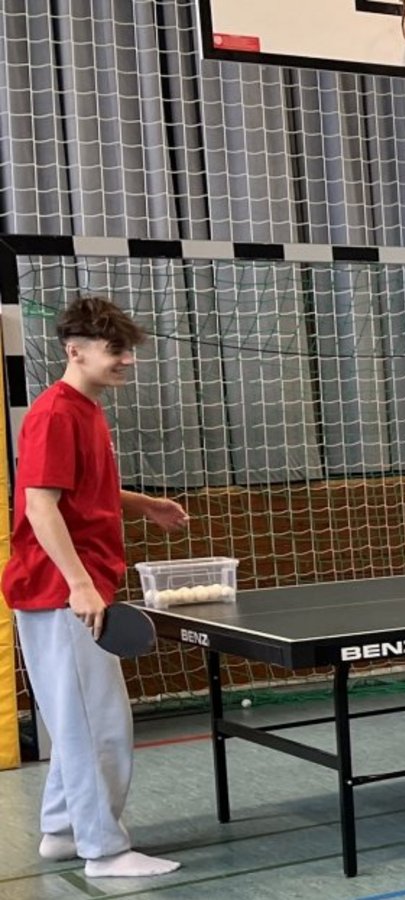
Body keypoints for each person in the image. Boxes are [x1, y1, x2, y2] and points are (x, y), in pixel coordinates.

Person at [5, 296, 189, 878]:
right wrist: (80, 587)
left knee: (74, 720)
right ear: (74, 350)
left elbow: (80, 493)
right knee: (99, 726)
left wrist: (144, 504)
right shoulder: (56, 413)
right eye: (116, 350)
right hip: (64, 595)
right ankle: (104, 851)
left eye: (129, 350)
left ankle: (62, 831)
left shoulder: (87, 409)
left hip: (73, 590)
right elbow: (40, 507)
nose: (127, 360)